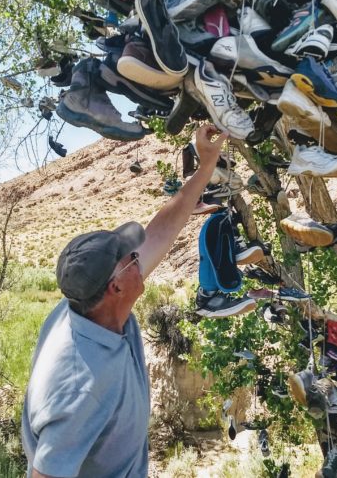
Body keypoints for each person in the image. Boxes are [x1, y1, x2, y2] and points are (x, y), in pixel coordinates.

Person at [21, 124, 227, 477]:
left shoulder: (84, 307)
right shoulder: (81, 383)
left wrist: (206, 165)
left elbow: (161, 231)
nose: (139, 258)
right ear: (115, 287)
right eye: (131, 258)